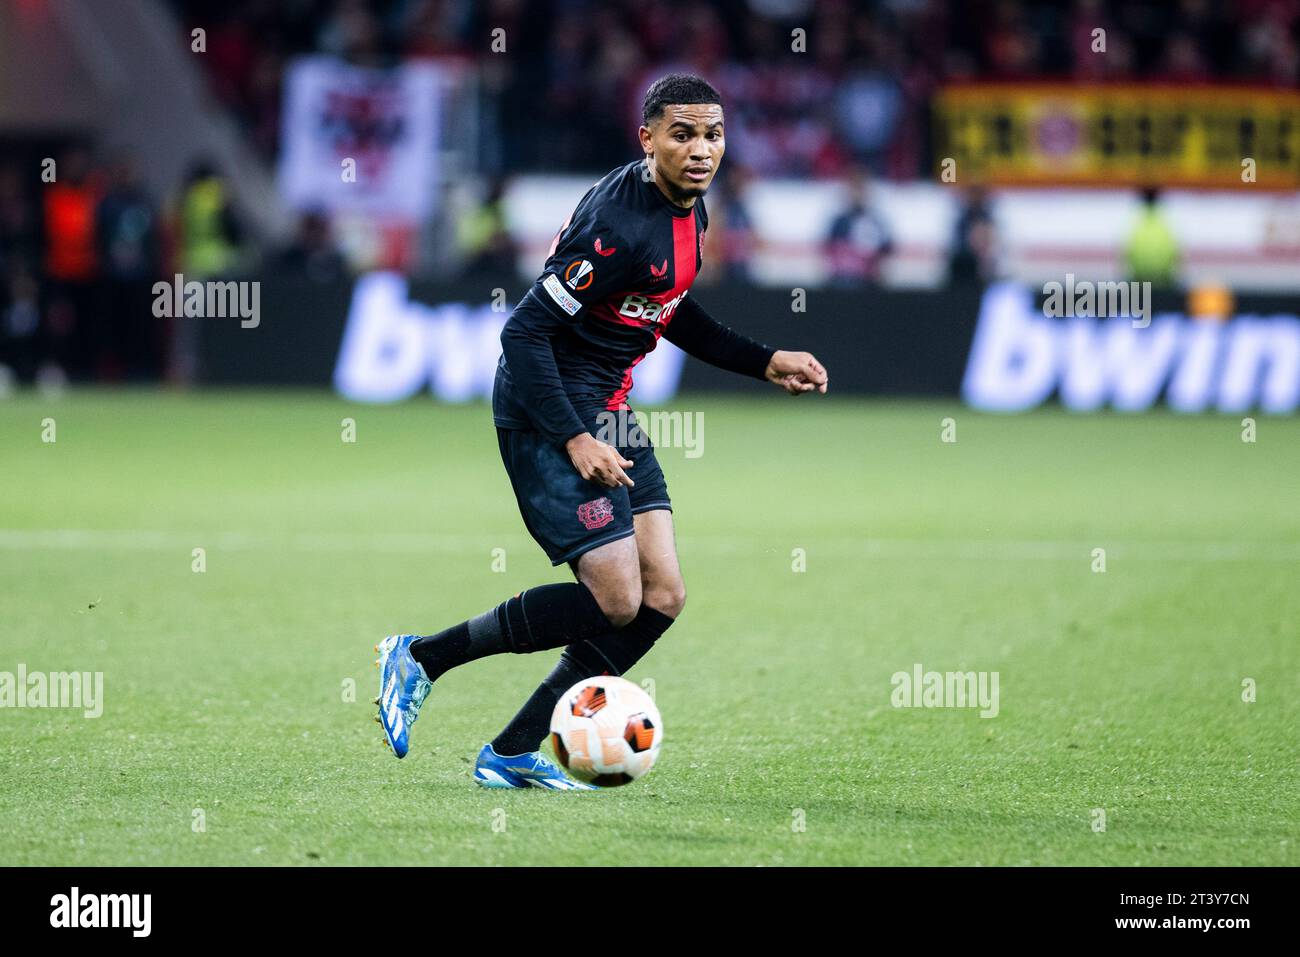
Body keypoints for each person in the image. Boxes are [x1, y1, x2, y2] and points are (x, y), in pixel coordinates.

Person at [373, 73, 829, 789]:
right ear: (646, 138)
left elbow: (668, 307)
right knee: (616, 599)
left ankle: (512, 751)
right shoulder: (616, 226)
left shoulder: (689, 208)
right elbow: (524, 333)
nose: (701, 149)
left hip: (609, 406)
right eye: (682, 134)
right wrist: (575, 438)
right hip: (546, 403)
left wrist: (763, 361)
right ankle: (421, 657)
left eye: (712, 134)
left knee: (662, 595)